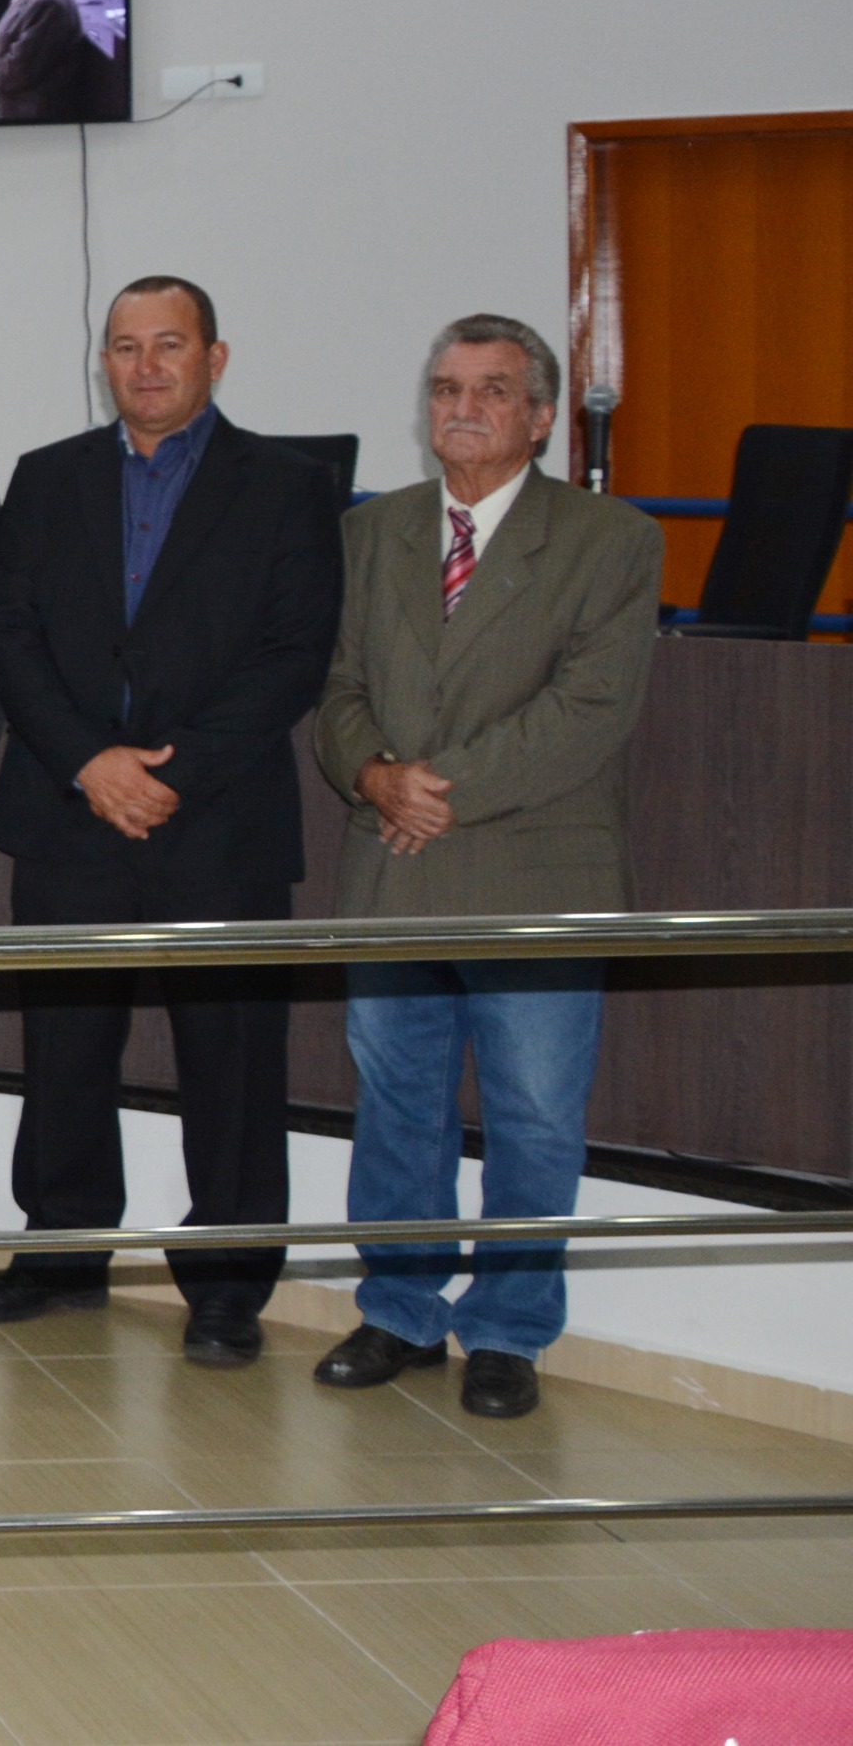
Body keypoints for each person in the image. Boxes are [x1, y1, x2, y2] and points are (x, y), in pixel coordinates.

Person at [0, 277, 342, 1362]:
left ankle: (226, 1287)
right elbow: (6, 630)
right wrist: (88, 761)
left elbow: (295, 652)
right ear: (105, 363)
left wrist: (173, 773)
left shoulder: (287, 485)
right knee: (64, 1049)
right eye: (124, 347)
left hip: (217, 818)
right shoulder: (47, 476)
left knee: (231, 1063)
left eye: (168, 344)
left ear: (214, 358)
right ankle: (62, 1253)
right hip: (70, 809)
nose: (144, 366)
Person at [310, 316, 660, 1420]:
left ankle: (508, 1328)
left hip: (534, 871)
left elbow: (588, 710)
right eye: (445, 388)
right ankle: (400, 1309)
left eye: (491, 389)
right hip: (391, 868)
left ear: (541, 417)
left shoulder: (610, 538)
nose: (461, 407)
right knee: (397, 1105)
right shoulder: (373, 531)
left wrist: (434, 789)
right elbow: (336, 688)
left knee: (534, 1116)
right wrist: (374, 777)